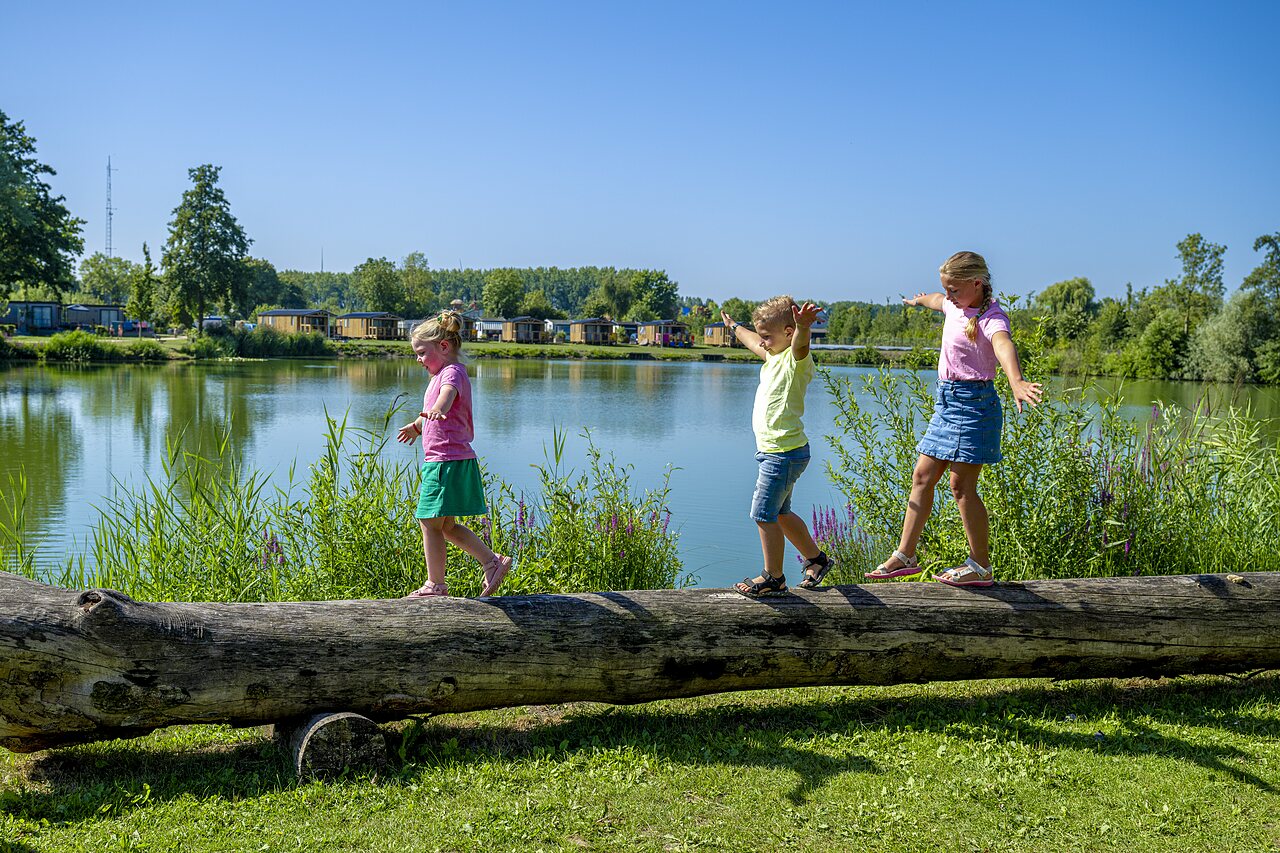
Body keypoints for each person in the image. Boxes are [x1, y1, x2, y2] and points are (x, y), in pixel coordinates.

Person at [866, 251, 1043, 587]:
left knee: (961, 487)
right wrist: (921, 301)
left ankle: (980, 566)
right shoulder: (953, 305)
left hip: (975, 406)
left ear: (977, 284)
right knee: (922, 476)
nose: (948, 296)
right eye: (945, 289)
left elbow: (1004, 346)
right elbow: (937, 301)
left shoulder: (992, 318)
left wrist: (1016, 380)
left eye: (954, 289)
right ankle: (906, 555)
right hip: (946, 403)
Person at [721, 296, 834, 596]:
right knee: (781, 514)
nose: (763, 342)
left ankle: (773, 577)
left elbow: (800, 343)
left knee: (763, 514)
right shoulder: (772, 355)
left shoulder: (795, 359)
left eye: (768, 336)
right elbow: (752, 341)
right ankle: (816, 559)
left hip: (782, 454)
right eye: (762, 337)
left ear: (788, 332)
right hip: (780, 452)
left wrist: (803, 326)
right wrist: (734, 327)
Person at [397, 311, 512, 598]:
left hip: (446, 462)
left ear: (444, 347)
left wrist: (440, 408)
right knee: (445, 526)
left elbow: (446, 397)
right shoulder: (439, 376)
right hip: (449, 460)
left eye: (422, 352)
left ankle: (435, 584)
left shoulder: (452, 373)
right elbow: (432, 411)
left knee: (428, 521)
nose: (418, 359)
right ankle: (492, 561)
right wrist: (417, 425)